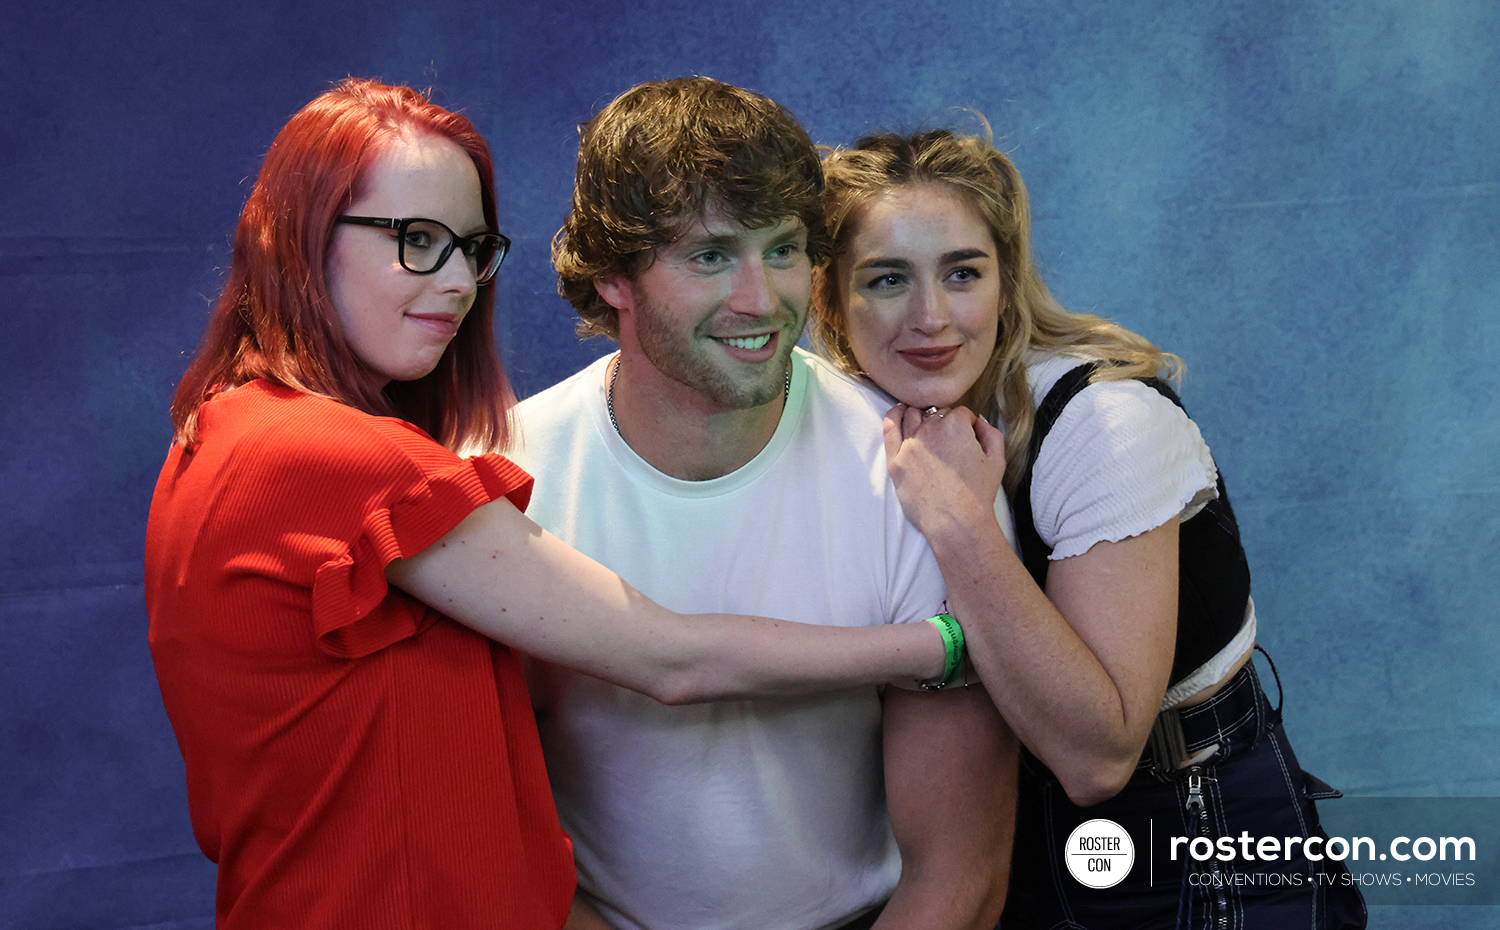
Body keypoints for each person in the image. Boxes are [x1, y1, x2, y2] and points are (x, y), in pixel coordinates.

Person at [142, 79, 967, 930]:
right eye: (416, 241)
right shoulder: (348, 459)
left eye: (469, 246)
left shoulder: (219, 431)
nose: (458, 281)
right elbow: (672, 657)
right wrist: (950, 642)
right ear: (303, 235)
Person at [810, 128, 1368, 929]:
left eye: (962, 273)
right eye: (887, 278)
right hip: (1009, 836)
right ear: (831, 298)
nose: (929, 317)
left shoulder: (1104, 423)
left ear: (1006, 284)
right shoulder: (857, 424)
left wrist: (958, 520)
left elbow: (1098, 756)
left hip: (1193, 832)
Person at [506, 77, 1016, 930]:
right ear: (614, 276)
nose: (763, 300)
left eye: (783, 249)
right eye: (711, 256)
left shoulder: (918, 484)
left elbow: (958, 877)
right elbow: (493, 848)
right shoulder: (503, 483)